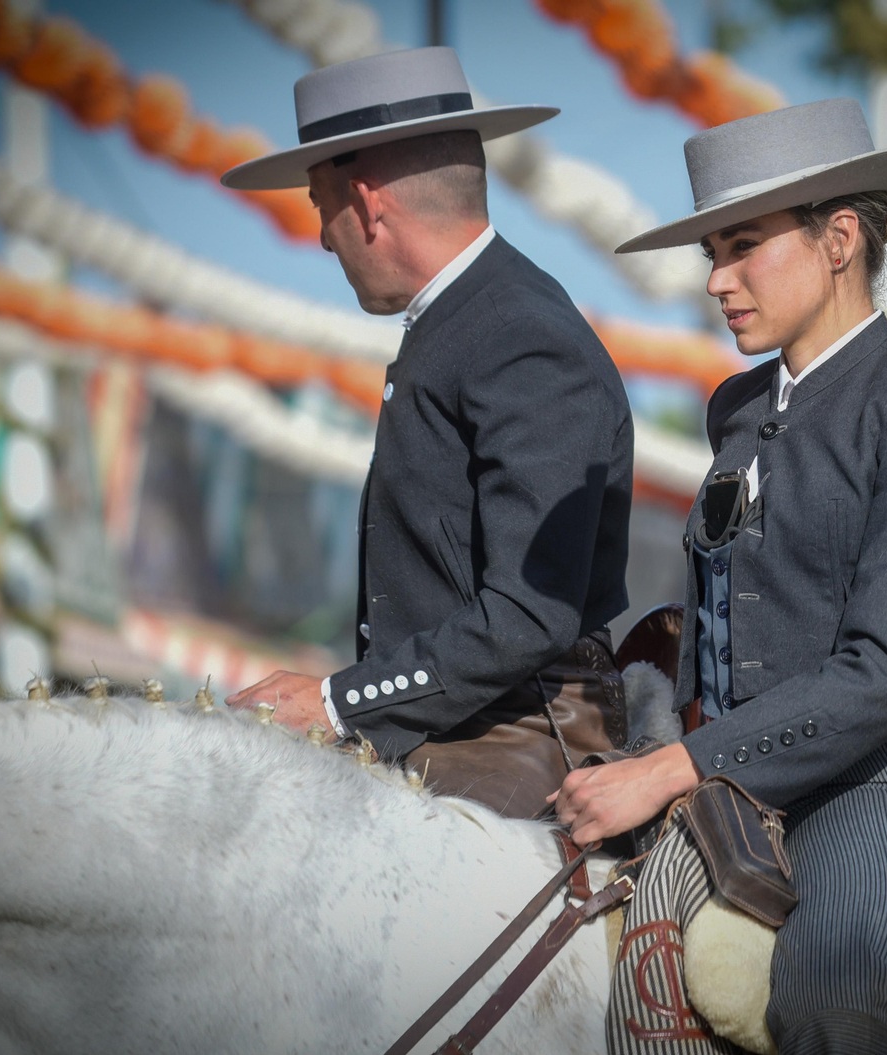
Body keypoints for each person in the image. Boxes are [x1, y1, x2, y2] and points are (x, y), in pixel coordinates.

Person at [551, 99, 887, 1055]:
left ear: (839, 238)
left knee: (834, 1022)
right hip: (720, 767)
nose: (717, 281)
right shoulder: (734, 408)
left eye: (742, 247)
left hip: (881, 775)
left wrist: (668, 770)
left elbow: (886, 672)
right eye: (711, 252)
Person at [221, 48, 634, 820]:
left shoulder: (517, 333)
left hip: (524, 732)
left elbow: (527, 615)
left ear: (368, 203)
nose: (321, 238)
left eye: (320, 205)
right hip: (460, 725)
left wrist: (341, 701)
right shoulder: (473, 321)